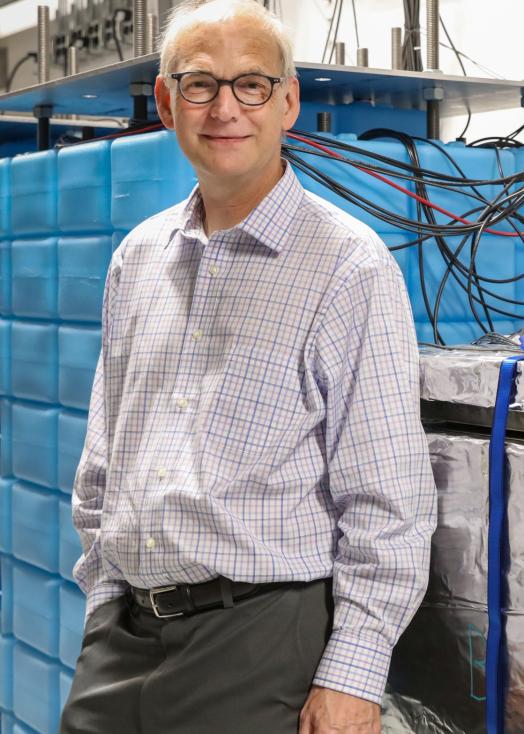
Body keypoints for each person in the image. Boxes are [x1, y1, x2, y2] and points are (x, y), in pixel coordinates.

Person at [60, 1, 437, 733]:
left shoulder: (347, 267)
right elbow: (105, 457)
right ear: (168, 103)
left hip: (259, 642)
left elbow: (389, 499)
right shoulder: (137, 258)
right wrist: (104, 602)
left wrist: (354, 673)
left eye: (252, 85)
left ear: (288, 101)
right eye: (199, 84)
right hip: (123, 637)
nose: (225, 107)